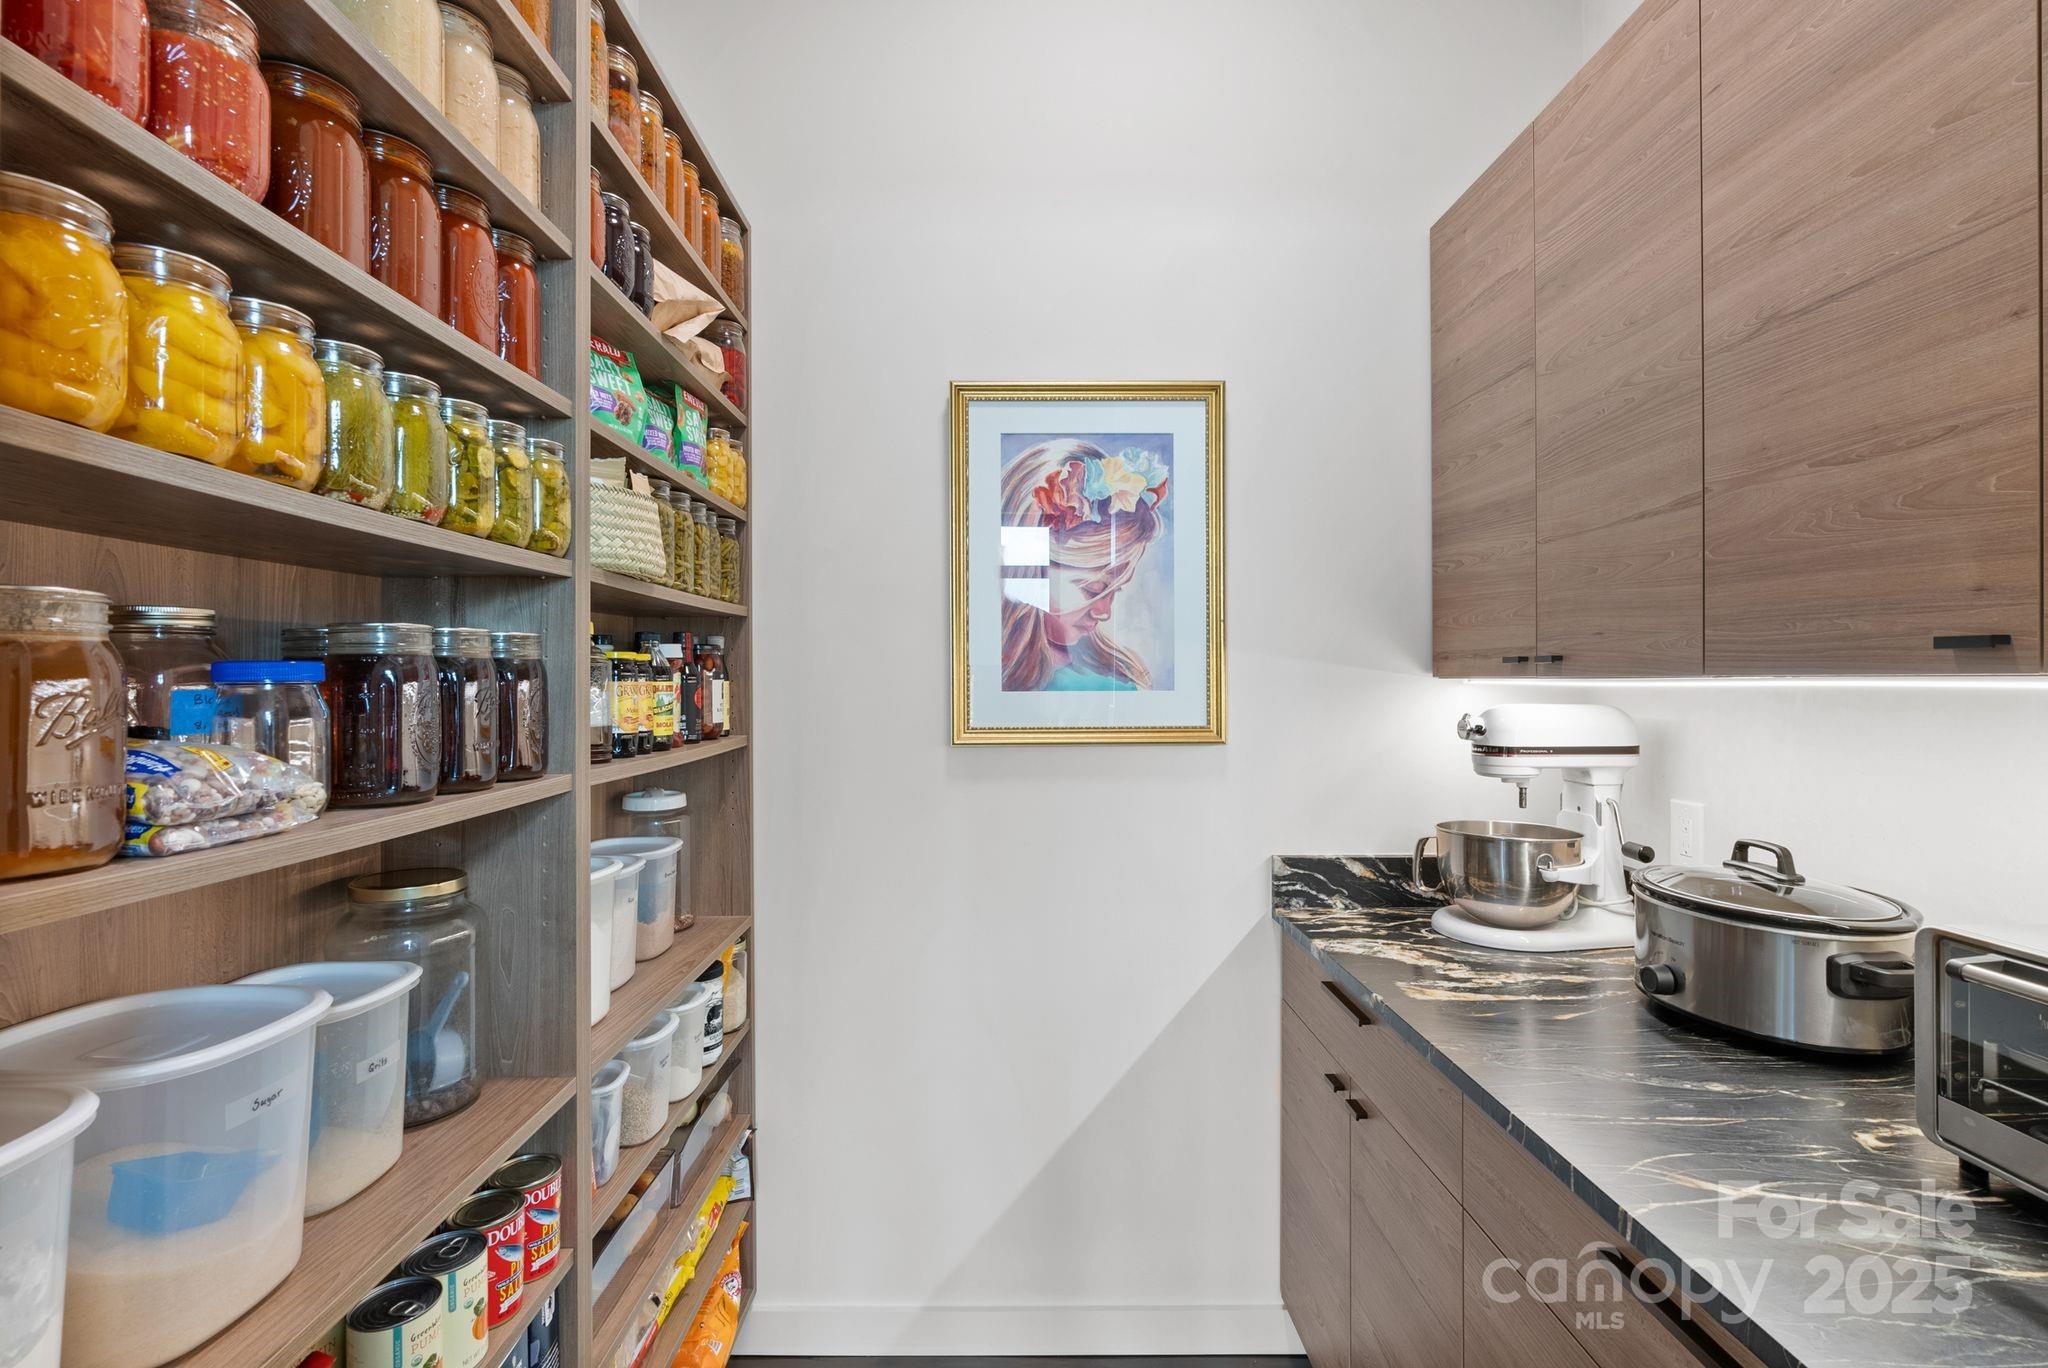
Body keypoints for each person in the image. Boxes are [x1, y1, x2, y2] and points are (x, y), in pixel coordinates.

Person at [998, 437, 1169, 692]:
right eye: (1092, 589)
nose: (1104, 612)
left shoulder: (1116, 683)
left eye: (1115, 591)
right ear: (1030, 569)